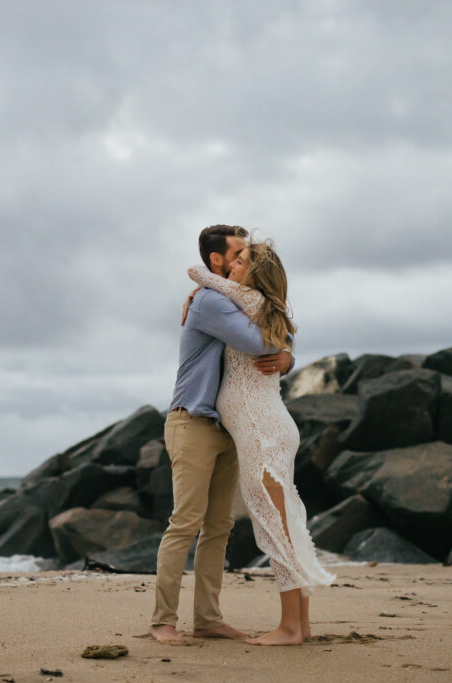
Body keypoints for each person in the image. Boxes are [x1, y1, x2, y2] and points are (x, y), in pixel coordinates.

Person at [149, 225, 294, 645]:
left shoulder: (226, 296)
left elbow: (272, 334)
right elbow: (257, 342)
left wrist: (288, 356)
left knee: (219, 527)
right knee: (185, 522)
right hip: (192, 421)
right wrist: (281, 350)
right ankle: (162, 620)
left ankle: (208, 619)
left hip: (227, 427)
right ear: (218, 260)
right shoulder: (211, 301)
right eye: (236, 254)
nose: (240, 261)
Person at [187, 238, 335, 646]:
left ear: (255, 273)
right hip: (269, 424)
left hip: (260, 426)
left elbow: (196, 271)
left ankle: (289, 627)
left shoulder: (246, 298)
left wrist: (202, 285)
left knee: (275, 527)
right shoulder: (267, 306)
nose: (232, 264)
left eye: (241, 259)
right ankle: (300, 625)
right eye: (234, 257)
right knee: (284, 524)